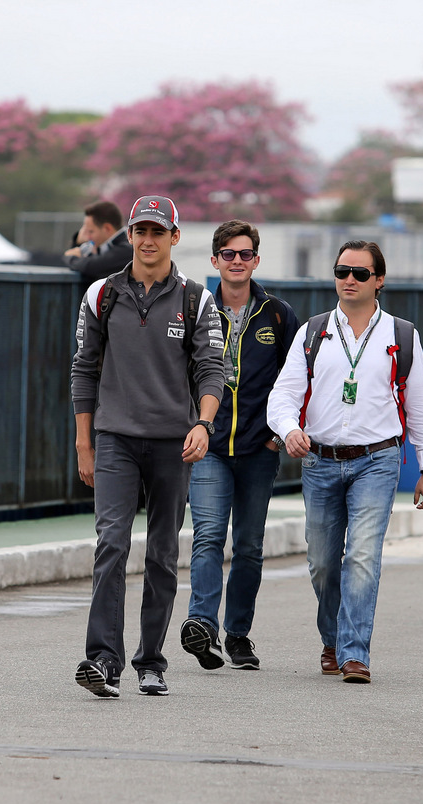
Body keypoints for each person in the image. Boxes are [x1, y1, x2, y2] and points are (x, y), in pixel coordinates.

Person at [71, 195, 226, 698]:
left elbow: (211, 370)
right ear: (131, 234)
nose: (148, 239)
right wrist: (83, 443)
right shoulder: (101, 294)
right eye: (141, 230)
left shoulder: (196, 300)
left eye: (158, 231)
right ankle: (103, 660)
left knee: (161, 554)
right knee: (111, 544)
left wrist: (203, 424)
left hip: (173, 445)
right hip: (114, 439)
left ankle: (151, 661)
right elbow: (83, 369)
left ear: (175, 237)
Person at [266, 240, 423, 684]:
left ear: (379, 280)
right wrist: (289, 431)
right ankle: (333, 639)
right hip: (319, 461)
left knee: (362, 556)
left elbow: (420, 407)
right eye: (342, 271)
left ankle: (355, 653)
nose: (349, 280)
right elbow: (282, 396)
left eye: (360, 273)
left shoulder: (402, 335)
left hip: (377, 461)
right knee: (323, 563)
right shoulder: (313, 331)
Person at [180, 220, 298, 672]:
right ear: (214, 261)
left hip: (258, 449)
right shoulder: (194, 309)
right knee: (208, 535)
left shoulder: (278, 314)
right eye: (227, 254)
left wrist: (278, 434)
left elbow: (296, 380)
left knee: (248, 544)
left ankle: (239, 634)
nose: (236, 261)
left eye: (244, 254)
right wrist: (190, 425)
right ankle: (201, 626)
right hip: (207, 445)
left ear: (256, 261)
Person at [63, 200, 131, 283]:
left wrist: (71, 257)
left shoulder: (127, 248)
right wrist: (77, 243)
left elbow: (90, 267)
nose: (87, 237)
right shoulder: (105, 247)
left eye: (91, 231)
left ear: (107, 228)